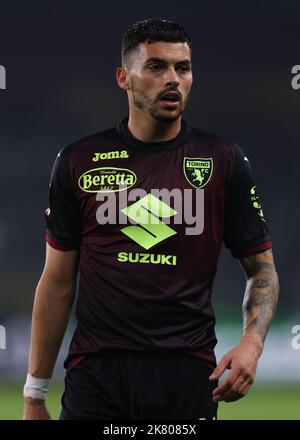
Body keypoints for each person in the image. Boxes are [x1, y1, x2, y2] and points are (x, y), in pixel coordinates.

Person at [23, 18, 279, 420]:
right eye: (157, 67)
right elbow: (56, 281)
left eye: (183, 67)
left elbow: (262, 270)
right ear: (124, 78)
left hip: (188, 376)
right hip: (97, 375)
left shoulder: (223, 160)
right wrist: (34, 395)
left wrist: (252, 342)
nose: (173, 79)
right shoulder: (78, 160)